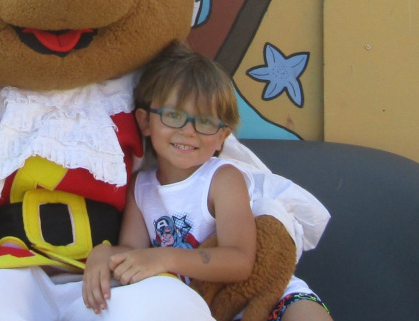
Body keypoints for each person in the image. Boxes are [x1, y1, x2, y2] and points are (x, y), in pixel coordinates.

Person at [83, 42, 333, 321]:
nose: (189, 132)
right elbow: (133, 251)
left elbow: (239, 261)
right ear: (145, 122)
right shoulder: (140, 188)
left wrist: (166, 258)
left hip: (263, 295)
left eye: (204, 122)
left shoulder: (222, 179)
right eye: (174, 115)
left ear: (221, 137)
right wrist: (103, 254)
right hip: (200, 307)